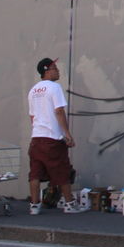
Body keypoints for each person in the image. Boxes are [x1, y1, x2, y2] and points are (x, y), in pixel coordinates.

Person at [27, 57, 86, 215]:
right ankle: (70, 204)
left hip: (36, 138)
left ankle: (34, 205)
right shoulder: (54, 88)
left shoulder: (33, 91)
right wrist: (67, 134)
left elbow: (32, 116)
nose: (58, 70)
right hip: (52, 138)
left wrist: (39, 129)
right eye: (54, 68)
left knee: (35, 173)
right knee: (62, 171)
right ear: (46, 71)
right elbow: (59, 111)